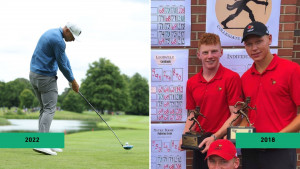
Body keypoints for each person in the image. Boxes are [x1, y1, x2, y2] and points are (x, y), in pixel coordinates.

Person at [240, 21, 300, 169]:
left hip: (282, 147)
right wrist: (237, 136)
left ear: (270, 39)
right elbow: (247, 116)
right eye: (249, 44)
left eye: (259, 41)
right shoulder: (245, 77)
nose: (254, 48)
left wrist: (276, 138)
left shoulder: (292, 70)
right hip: (251, 148)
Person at [179, 33, 242, 169]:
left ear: (221, 52)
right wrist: (185, 136)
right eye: (205, 52)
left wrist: (216, 136)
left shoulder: (232, 78)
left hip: (222, 141)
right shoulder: (192, 82)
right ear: (199, 55)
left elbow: (236, 114)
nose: (210, 56)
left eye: (214, 51)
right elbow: (192, 115)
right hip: (200, 143)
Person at [29, 22, 81, 155]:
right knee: (49, 109)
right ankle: (42, 144)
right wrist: (72, 82)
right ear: (68, 31)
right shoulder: (59, 41)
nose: (73, 40)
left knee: (44, 109)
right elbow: (62, 65)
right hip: (46, 78)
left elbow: (64, 59)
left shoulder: (52, 33)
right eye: (73, 37)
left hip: (34, 75)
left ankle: (44, 141)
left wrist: (72, 78)